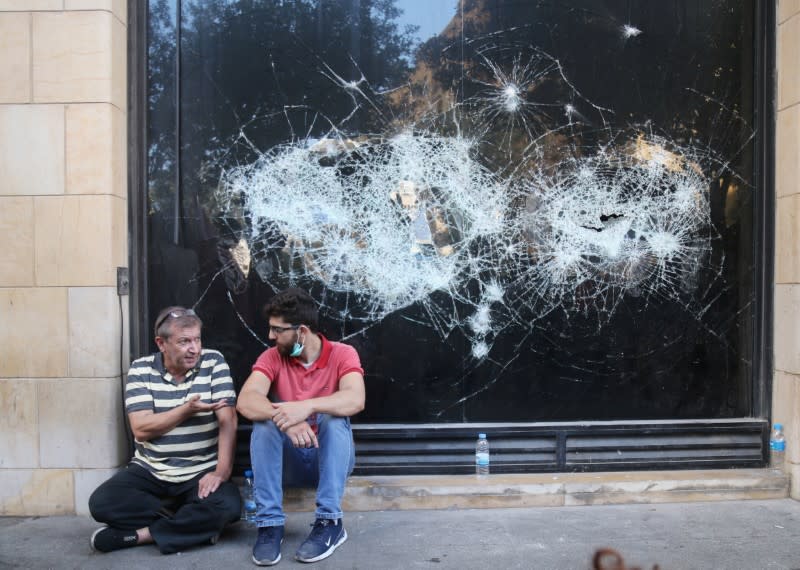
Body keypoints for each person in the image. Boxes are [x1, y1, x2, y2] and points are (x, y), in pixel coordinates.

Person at [88, 306, 241, 554]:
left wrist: (220, 473)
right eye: (184, 342)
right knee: (102, 503)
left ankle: (139, 536)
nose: (195, 349)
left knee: (229, 506)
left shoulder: (214, 361)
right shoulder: (141, 369)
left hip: (199, 472)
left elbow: (228, 420)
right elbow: (141, 429)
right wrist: (186, 410)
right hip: (151, 471)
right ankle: (193, 526)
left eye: (197, 339)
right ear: (162, 343)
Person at [237, 288, 365, 566]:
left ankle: (330, 523)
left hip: (329, 459)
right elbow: (246, 401)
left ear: (302, 331)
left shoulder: (343, 354)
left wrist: (308, 407)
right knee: (264, 423)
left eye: (277, 329)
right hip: (289, 461)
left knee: (333, 417)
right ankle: (270, 525)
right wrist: (285, 420)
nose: (271, 336)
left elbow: (355, 398)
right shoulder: (272, 357)